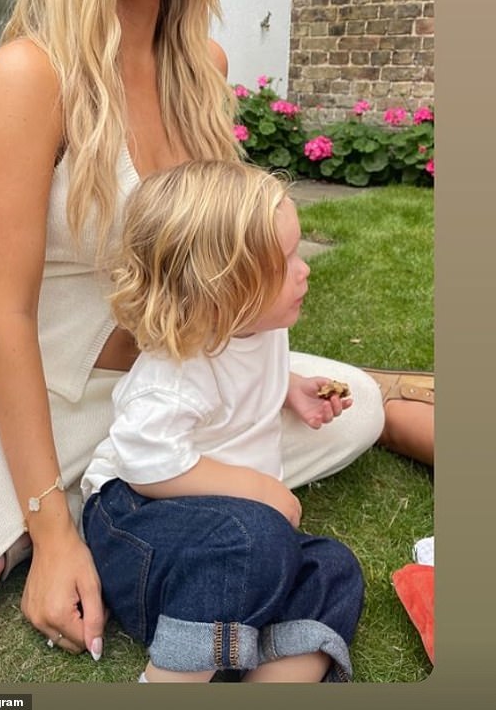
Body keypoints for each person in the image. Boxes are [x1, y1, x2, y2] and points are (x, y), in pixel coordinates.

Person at [0, 0, 427, 658]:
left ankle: (106, 494)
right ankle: (59, 502)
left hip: (161, 386)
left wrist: (270, 381)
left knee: (352, 410)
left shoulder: (205, 68)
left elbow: (210, 280)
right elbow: (5, 316)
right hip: (18, 387)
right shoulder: (28, 74)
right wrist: (52, 537)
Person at [81, 159, 365, 682]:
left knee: (332, 566)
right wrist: (256, 488)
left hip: (228, 533)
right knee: (253, 536)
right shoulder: (174, 374)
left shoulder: (259, 327)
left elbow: (251, 377)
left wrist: (291, 388)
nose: (303, 269)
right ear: (219, 290)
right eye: (284, 262)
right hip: (135, 519)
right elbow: (147, 464)